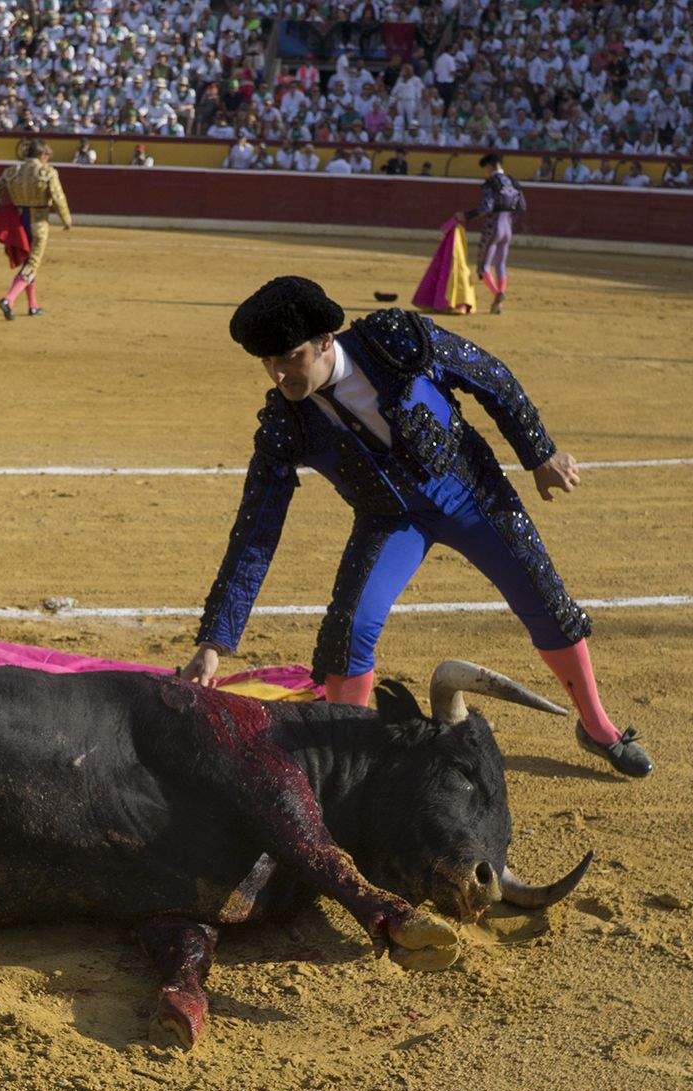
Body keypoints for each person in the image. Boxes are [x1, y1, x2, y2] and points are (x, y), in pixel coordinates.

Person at [180, 278, 652, 777]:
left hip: (471, 492)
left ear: (324, 341)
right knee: (349, 630)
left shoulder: (393, 341)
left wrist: (539, 452)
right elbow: (256, 530)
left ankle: (598, 727)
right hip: (389, 519)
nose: (278, 374)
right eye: (267, 362)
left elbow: (489, 375)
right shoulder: (285, 424)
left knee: (544, 598)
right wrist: (214, 641)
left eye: (290, 357)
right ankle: (350, 762)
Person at [0, 138, 73, 321]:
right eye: (47, 155)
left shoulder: (12, 171)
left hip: (18, 223)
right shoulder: (47, 172)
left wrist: (3, 213)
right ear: (42, 155)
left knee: (28, 264)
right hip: (38, 223)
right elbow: (58, 198)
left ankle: (33, 306)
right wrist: (66, 219)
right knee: (32, 264)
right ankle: (9, 299)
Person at [459, 153, 525, 314]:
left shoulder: (491, 183)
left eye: (486, 168)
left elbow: (486, 207)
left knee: (483, 268)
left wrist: (466, 215)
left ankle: (497, 294)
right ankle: (498, 305)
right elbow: (522, 208)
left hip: (493, 227)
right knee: (501, 265)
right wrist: (508, 221)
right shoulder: (513, 182)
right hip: (507, 228)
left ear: (491, 165)